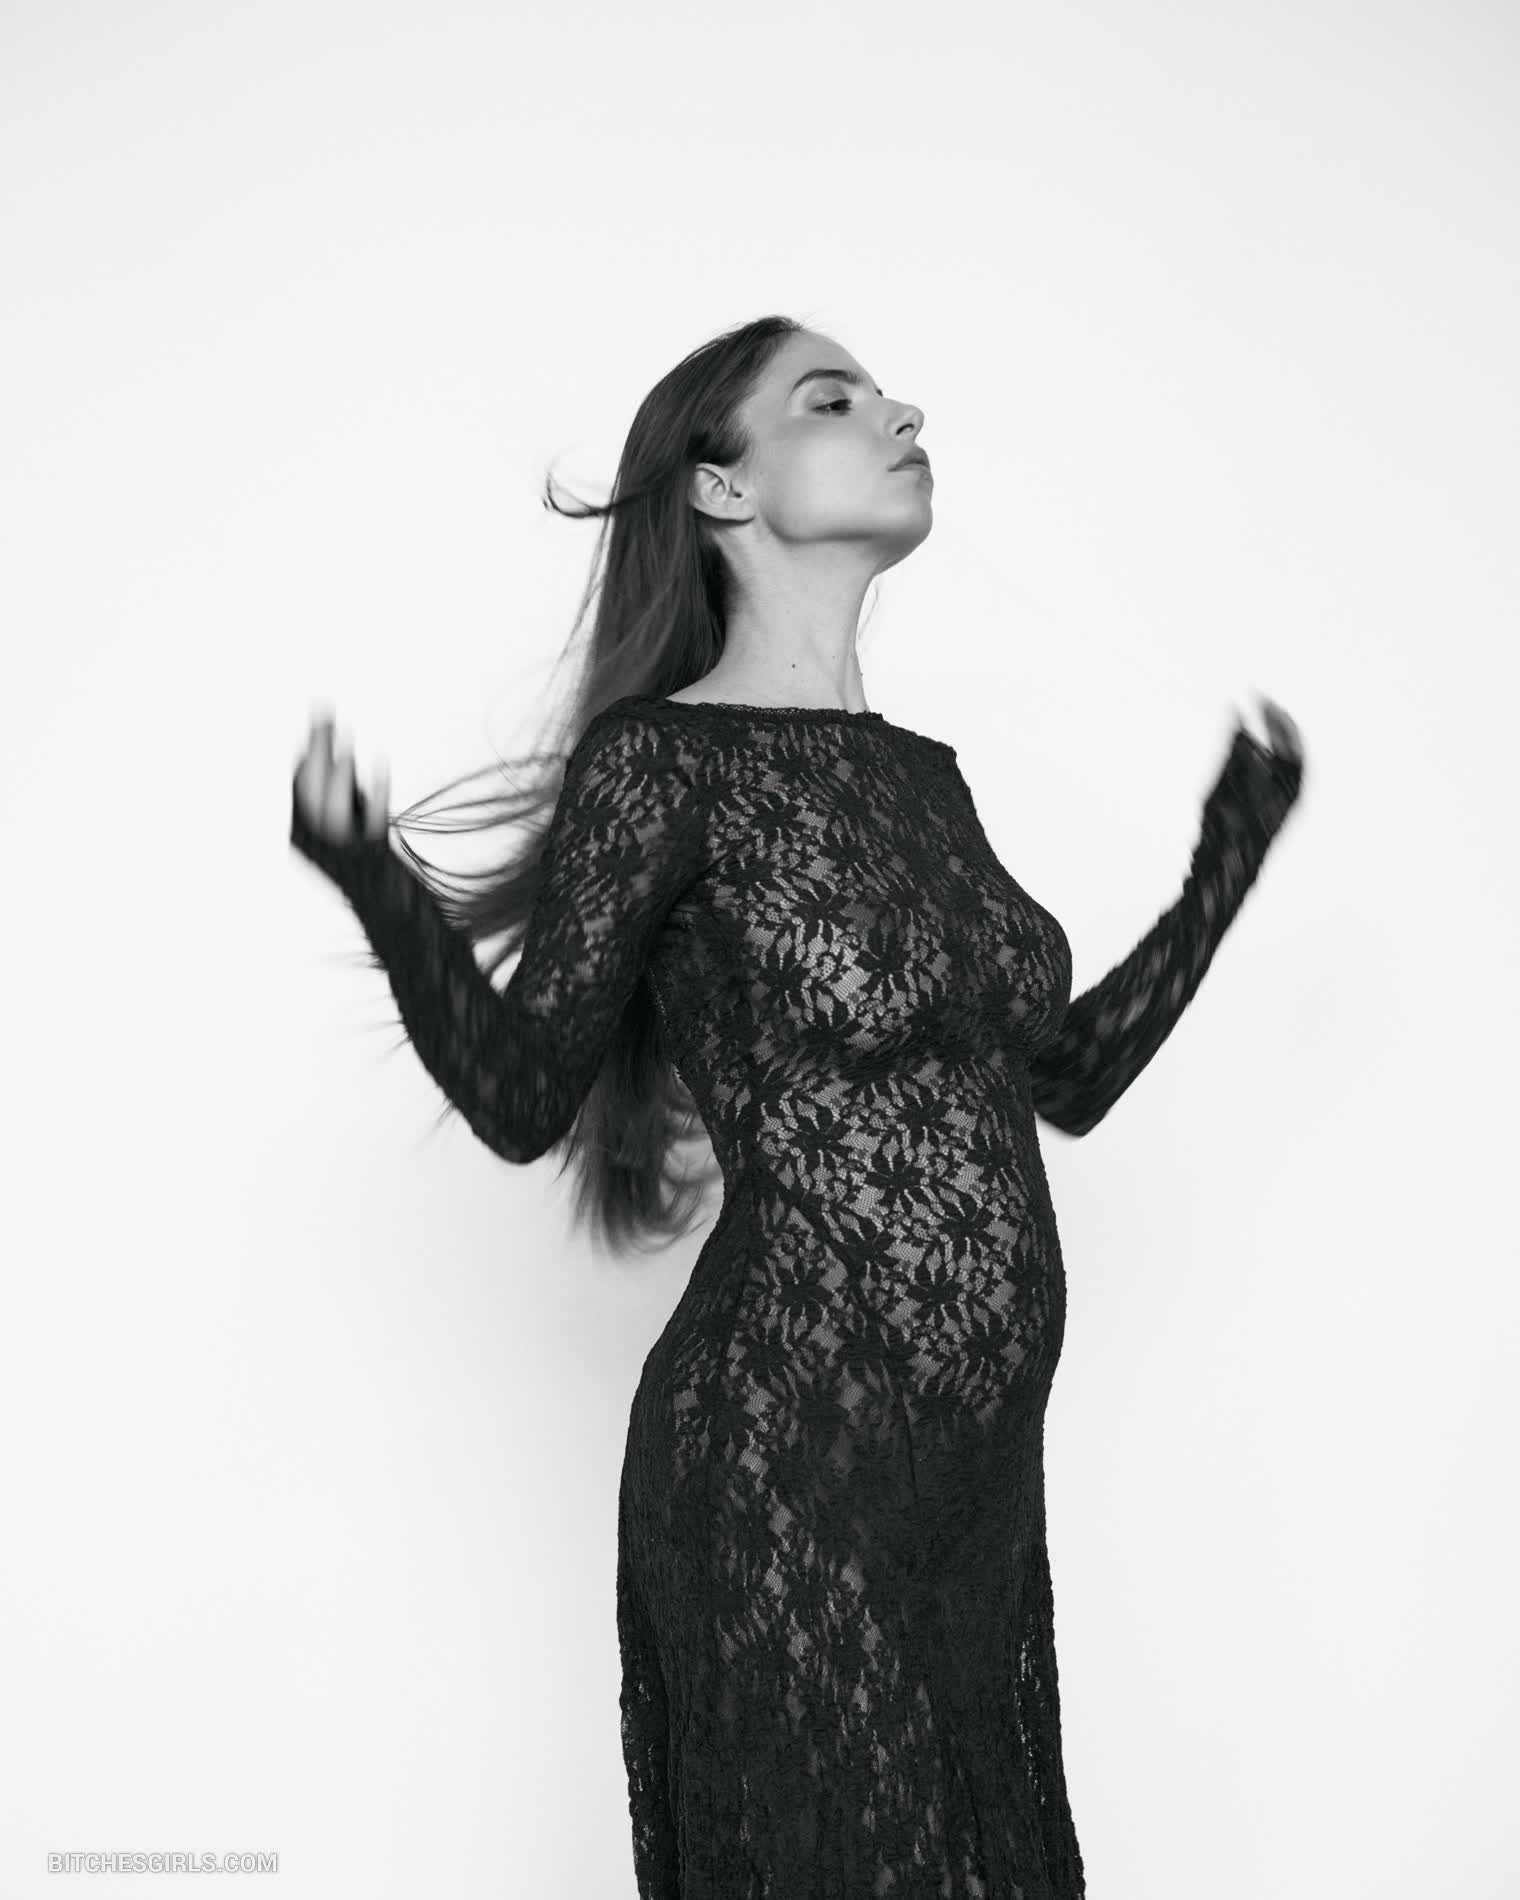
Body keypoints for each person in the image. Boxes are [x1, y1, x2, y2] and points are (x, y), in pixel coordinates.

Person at [290, 315, 1304, 1899]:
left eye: (890, 394)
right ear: (722, 488)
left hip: (974, 1494)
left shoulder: (924, 781)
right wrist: (376, 878)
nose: (902, 414)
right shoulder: (662, 765)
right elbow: (523, 1094)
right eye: (834, 399)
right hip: (786, 1461)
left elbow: (1070, 1077)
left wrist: (1226, 860)